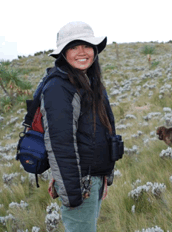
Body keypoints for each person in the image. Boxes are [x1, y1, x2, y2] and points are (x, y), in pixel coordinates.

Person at [40, 21, 116, 231]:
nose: (82, 52)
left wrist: (103, 176)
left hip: (92, 181)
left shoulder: (89, 81)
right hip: (81, 186)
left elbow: (101, 132)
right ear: (63, 53)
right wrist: (73, 195)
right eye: (74, 47)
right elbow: (60, 144)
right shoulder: (59, 87)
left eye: (87, 46)